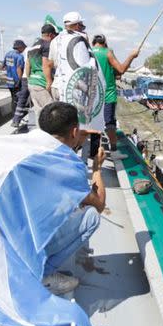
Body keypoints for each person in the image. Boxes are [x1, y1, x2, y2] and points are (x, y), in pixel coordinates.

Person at [36, 102, 106, 294]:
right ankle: (45, 275)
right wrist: (97, 168)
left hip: (13, 238)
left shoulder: (31, 150)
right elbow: (99, 204)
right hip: (36, 243)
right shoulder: (69, 167)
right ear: (75, 131)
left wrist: (73, 142)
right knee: (91, 215)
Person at [91, 34, 139, 151]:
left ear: (93, 43)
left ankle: (93, 150)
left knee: (94, 122)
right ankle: (114, 148)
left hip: (93, 95)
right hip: (108, 95)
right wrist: (131, 56)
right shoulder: (108, 52)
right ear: (105, 43)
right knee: (110, 123)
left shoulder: (89, 52)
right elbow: (121, 70)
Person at [27, 24, 58, 121]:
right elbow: (46, 64)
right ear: (51, 35)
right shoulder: (47, 45)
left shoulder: (32, 47)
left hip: (33, 82)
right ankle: (49, 135)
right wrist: (49, 81)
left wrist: (29, 79)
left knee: (39, 112)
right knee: (51, 113)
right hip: (42, 83)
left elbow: (27, 65)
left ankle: (40, 134)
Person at [0, 39, 26, 120]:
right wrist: (20, 79)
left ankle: (13, 115)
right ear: (20, 47)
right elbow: (19, 69)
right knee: (18, 99)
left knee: (13, 99)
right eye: (23, 47)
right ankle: (16, 116)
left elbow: (2, 66)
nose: (24, 49)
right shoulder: (19, 56)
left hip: (9, 81)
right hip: (16, 81)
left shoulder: (8, 54)